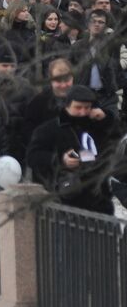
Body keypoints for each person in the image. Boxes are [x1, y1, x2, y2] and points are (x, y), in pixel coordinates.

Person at [27, 85, 116, 214]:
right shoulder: (49, 129)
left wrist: (106, 118)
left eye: (87, 108)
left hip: (99, 198)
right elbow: (33, 156)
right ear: (67, 106)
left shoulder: (96, 125)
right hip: (67, 198)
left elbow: (117, 140)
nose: (83, 112)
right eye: (78, 108)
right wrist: (60, 159)